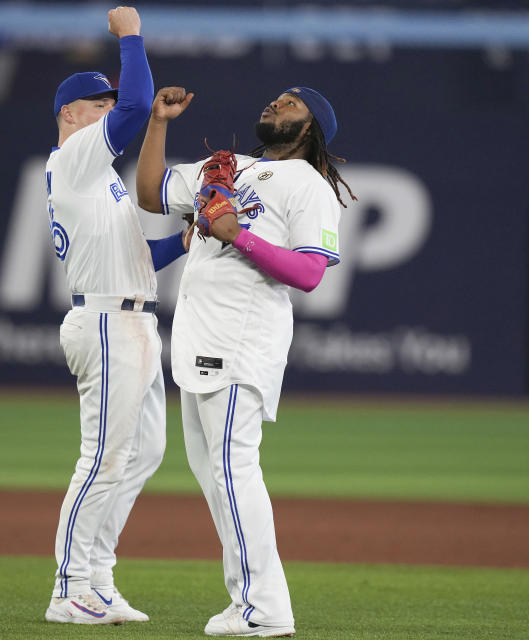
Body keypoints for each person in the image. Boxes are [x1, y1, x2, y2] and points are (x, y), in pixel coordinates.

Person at [136, 86, 355, 637]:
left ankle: (266, 608)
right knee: (214, 477)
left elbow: (309, 273)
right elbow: (150, 193)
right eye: (276, 99)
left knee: (234, 470)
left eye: (290, 105)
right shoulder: (225, 168)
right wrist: (158, 123)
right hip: (198, 340)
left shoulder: (308, 185)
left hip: (241, 339)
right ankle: (247, 601)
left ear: (310, 128)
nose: (275, 106)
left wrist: (239, 236)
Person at [42, 7, 190, 626]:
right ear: (71, 117)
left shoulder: (99, 178)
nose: (110, 111)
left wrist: (185, 241)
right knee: (102, 454)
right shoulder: (73, 159)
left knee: (146, 449)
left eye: (108, 103)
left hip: (129, 318)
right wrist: (132, 37)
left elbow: (136, 258)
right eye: (97, 105)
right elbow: (134, 110)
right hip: (104, 325)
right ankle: (68, 588)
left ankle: (98, 575)